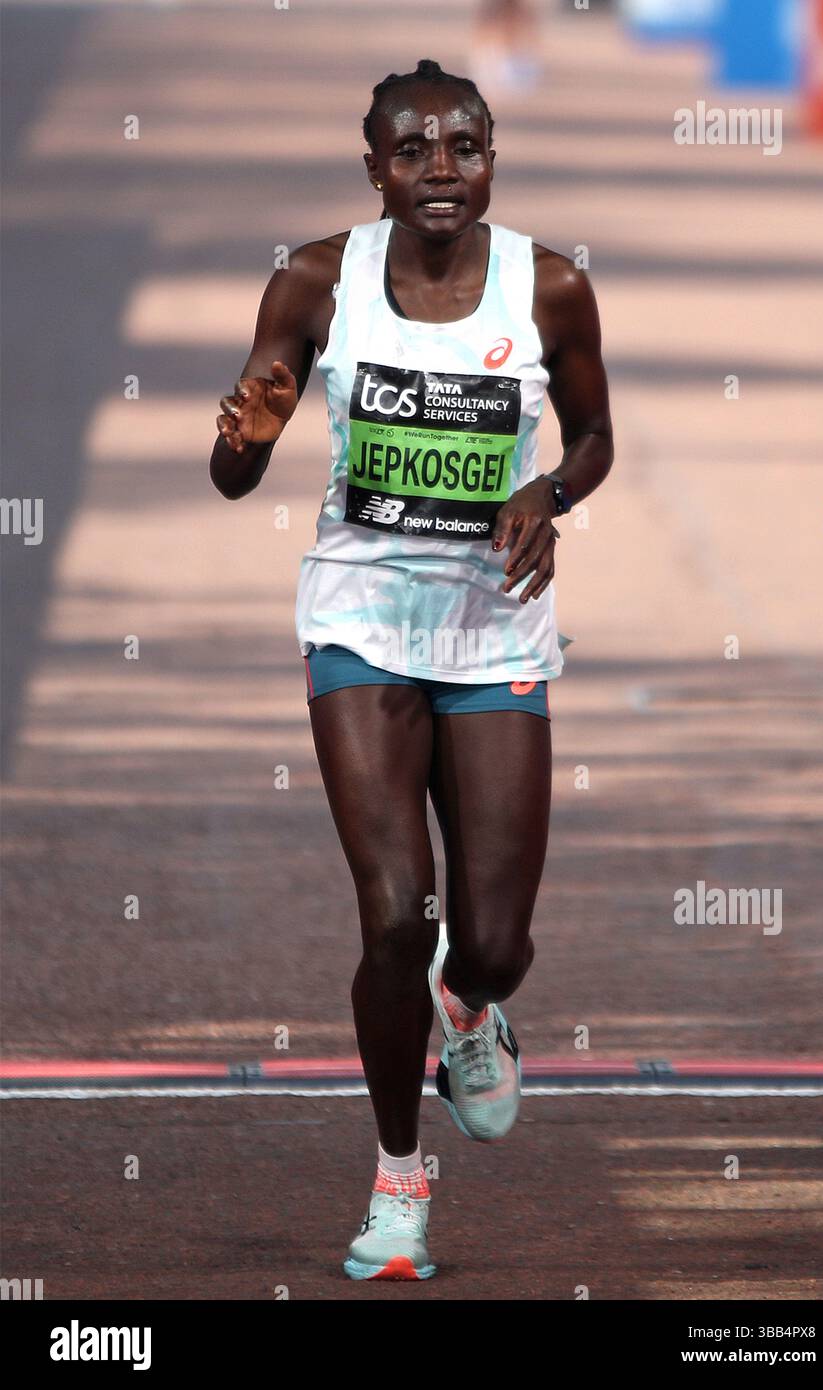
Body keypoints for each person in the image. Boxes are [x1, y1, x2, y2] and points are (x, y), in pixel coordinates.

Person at [210, 57, 613, 1282]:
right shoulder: (316, 280)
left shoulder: (547, 286)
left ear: (492, 156)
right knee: (397, 914)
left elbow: (594, 436)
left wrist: (549, 488)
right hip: (360, 624)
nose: (442, 172)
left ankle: (473, 1008)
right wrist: (251, 432)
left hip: (492, 629)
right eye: (414, 151)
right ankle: (397, 1188)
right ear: (372, 164)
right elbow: (236, 466)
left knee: (488, 938)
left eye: (466, 148)